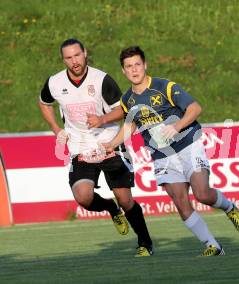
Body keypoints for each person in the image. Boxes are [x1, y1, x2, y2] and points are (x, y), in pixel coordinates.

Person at [103, 46, 239, 256]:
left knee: (202, 193)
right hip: (162, 156)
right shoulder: (127, 100)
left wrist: (177, 127)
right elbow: (130, 126)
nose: (134, 70)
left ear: (145, 65)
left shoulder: (165, 86)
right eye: (128, 66)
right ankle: (213, 246)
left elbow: (195, 108)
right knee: (181, 202)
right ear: (123, 71)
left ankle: (229, 208)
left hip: (188, 144)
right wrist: (111, 144)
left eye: (137, 64)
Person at [39, 39, 154, 257]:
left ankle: (144, 242)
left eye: (77, 55)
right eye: (69, 58)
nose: (74, 61)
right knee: (83, 197)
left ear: (84, 53)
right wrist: (56, 128)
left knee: (126, 200)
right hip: (80, 149)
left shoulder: (101, 79)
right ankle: (111, 209)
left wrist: (101, 120)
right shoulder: (54, 82)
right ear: (63, 59)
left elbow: (123, 110)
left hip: (109, 144)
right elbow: (44, 103)